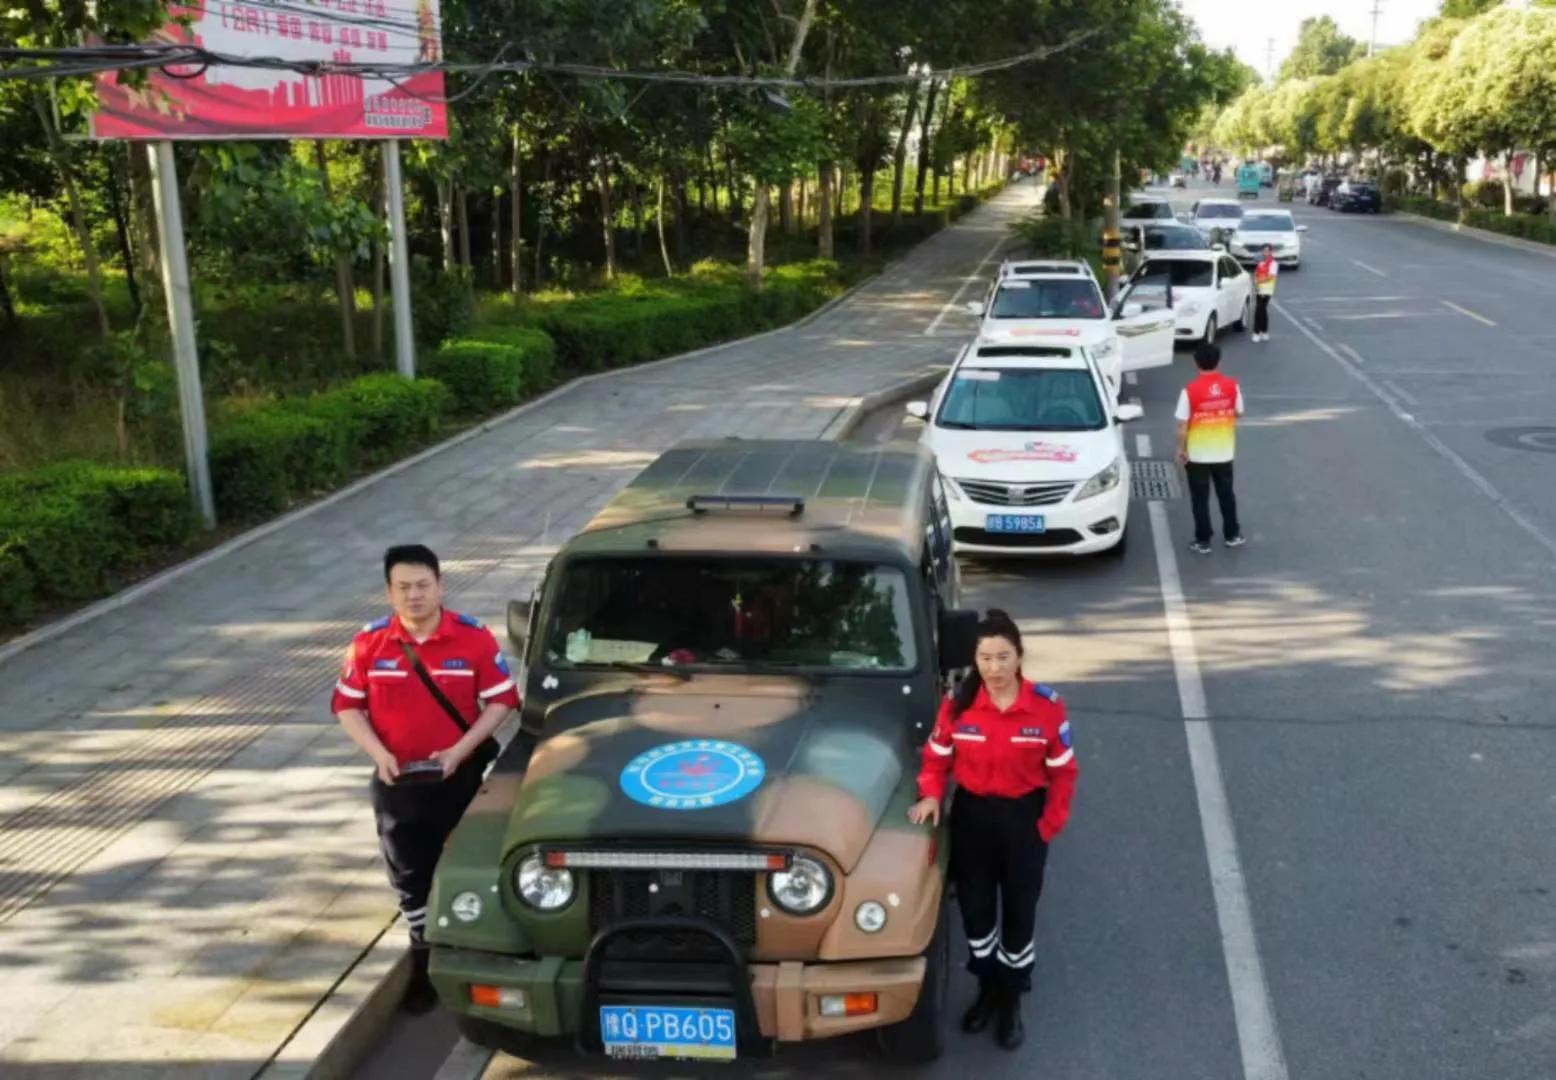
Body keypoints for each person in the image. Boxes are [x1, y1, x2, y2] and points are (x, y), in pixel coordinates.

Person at [331, 544, 520, 1012]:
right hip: (397, 784)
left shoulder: (472, 638)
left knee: (469, 865)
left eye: (423, 585)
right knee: (409, 876)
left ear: (440, 586)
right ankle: (423, 962)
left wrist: (460, 750)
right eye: (403, 588)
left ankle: (478, 949)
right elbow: (347, 706)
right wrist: (378, 754)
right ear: (389, 593)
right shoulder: (368, 644)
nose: (414, 596)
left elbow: (502, 701)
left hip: (460, 777)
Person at [907, 611, 1077, 1051]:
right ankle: (986, 988)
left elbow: (1063, 772)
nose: (995, 668)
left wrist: (1048, 824)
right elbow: (936, 759)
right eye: (986, 657)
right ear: (976, 659)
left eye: (1003, 657)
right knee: (976, 913)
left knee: (1019, 914)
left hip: (1024, 822)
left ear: (1019, 656)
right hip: (973, 820)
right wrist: (929, 795)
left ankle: (1011, 999)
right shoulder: (958, 706)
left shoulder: (1045, 707)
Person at [1175, 343, 1246, 554]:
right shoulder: (1232, 386)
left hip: (1197, 455)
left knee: (1200, 498)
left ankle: (1203, 540)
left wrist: (1181, 449)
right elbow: (1239, 412)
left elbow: (1181, 426)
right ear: (1219, 362)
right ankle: (1232, 534)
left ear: (1196, 363)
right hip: (1224, 452)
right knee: (1226, 494)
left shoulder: (1188, 391)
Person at [1252, 244, 1278, 342]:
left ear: (1271, 252)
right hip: (1259, 289)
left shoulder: (1273, 263)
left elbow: (1271, 277)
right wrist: (1255, 280)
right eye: (1264, 251)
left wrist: (1259, 281)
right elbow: (1256, 272)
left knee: (1260, 310)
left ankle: (1257, 332)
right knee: (1261, 310)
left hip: (1267, 290)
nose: (1265, 253)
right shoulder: (1260, 262)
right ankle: (1264, 331)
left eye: (1267, 251)